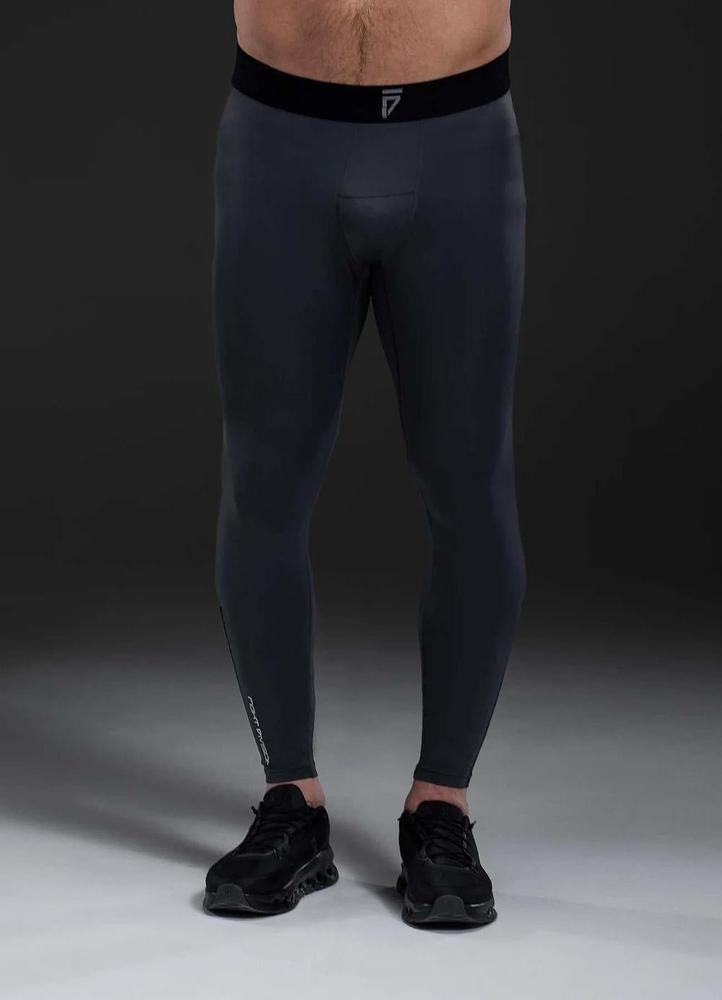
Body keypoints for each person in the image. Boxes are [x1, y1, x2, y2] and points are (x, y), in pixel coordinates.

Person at [204, 0, 526, 927]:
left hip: (459, 139)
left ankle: (442, 808)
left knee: (471, 485)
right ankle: (290, 803)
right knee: (262, 486)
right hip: (280, 138)